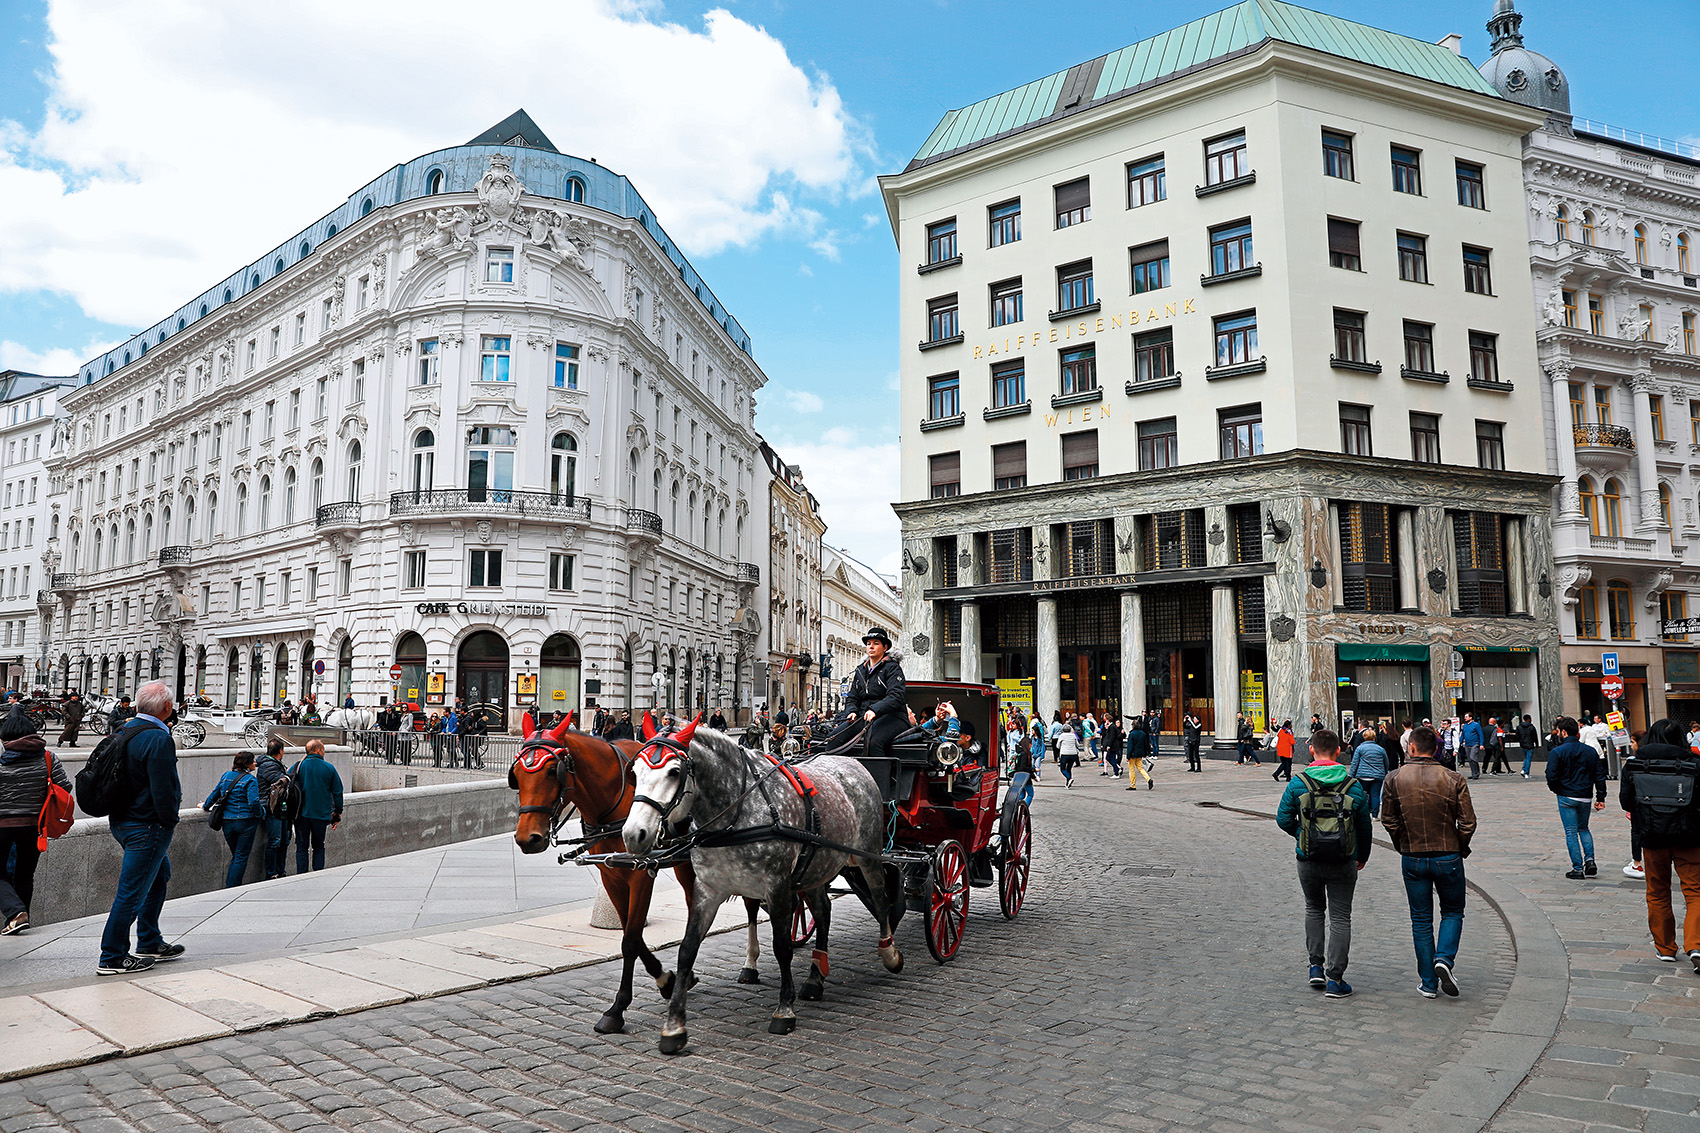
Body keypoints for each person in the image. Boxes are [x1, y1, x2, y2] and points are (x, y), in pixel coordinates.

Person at [1381, 724, 1476, 999]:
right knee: (1453, 911)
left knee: (1421, 919)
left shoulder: (1394, 778)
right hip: (1447, 854)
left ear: (1411, 747)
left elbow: (1388, 819)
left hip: (1413, 856)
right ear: (1436, 749)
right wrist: (1459, 845)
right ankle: (1444, 959)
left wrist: (1403, 843)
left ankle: (1428, 982)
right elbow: (1468, 822)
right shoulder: (1453, 778)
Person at [1276, 729, 1372, 998]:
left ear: (1312, 751)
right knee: (1341, 917)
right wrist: (1361, 857)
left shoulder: (1298, 783)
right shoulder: (1352, 786)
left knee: (1314, 908)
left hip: (1308, 858)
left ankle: (1315, 968)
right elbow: (1364, 827)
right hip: (1343, 860)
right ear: (1339, 752)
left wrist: (1303, 835)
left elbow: (1283, 819)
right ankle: (1335, 979)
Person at [99, 682, 185, 976]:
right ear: (166, 708)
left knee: (159, 876)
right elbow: (165, 788)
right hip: (147, 825)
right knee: (131, 892)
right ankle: (112, 956)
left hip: (122, 821)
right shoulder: (158, 738)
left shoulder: (124, 730)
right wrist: (169, 820)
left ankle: (149, 940)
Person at [1620, 719, 1700, 969]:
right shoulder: (1695, 764)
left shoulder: (1634, 765)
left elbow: (1626, 801)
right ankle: (1696, 944)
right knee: (1695, 891)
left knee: (1657, 891)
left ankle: (1665, 948)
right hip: (1690, 836)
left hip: (1652, 836)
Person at [0, 708, 71, 935]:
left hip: (2, 827)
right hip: (35, 827)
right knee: (24, 875)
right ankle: (20, 919)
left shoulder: (1, 760)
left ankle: (15, 913)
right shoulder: (49, 757)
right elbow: (64, 787)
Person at [1545, 716, 1607, 879]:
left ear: (1563, 732)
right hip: (1585, 795)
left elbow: (1551, 776)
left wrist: (1557, 789)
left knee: (1571, 832)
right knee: (1584, 828)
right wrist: (1601, 797)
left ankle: (1578, 868)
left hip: (1566, 795)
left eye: (1558, 731)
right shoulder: (1589, 751)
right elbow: (1599, 776)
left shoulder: (1557, 752)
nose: (1557, 734)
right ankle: (1590, 860)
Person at [842, 627, 907, 762]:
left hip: (893, 717)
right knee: (834, 739)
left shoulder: (892, 668)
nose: (871, 647)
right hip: (864, 717)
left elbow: (895, 696)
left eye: (876, 643)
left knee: (873, 742)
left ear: (885, 647)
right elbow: (853, 697)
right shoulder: (860, 670)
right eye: (868, 643)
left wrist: (874, 710)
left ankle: (880, 781)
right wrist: (852, 711)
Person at [203, 752, 261, 888]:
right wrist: (261, 813)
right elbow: (253, 803)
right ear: (246, 764)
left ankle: (230, 885)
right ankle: (232, 887)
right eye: (253, 761)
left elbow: (214, 795)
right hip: (246, 822)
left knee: (236, 855)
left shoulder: (226, 776)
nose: (255, 763)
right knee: (240, 857)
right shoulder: (250, 780)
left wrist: (205, 806)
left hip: (227, 822)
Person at [292, 739, 343, 873]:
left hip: (301, 815)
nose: (324, 753)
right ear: (319, 750)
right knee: (319, 846)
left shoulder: (298, 766)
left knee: (301, 848)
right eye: (323, 750)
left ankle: (301, 875)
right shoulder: (329, 768)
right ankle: (318, 873)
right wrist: (337, 812)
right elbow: (337, 792)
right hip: (320, 815)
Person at [255, 738, 293, 880]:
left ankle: (280, 870)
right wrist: (289, 776)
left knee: (284, 840)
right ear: (281, 751)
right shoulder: (269, 765)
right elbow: (280, 782)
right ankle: (271, 873)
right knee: (275, 841)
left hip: (280, 807)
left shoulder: (272, 763)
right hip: (272, 808)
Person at [1348, 725, 1389, 818]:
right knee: (1375, 794)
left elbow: (1355, 763)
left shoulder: (1360, 748)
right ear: (1374, 738)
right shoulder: (1380, 749)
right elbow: (1386, 762)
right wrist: (1385, 772)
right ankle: (1375, 815)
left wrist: (1351, 775)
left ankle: (1365, 813)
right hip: (1378, 775)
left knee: (1364, 794)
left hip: (1363, 775)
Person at [1620, 731, 1646, 880]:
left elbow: (1626, 790)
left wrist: (1628, 807)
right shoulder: (1659, 761)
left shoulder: (1632, 763)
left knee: (1636, 832)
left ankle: (1637, 863)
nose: (1630, 745)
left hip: (1638, 803)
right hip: (1657, 804)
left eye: (1632, 742)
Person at [1125, 715, 1151, 791]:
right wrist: (1146, 753)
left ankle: (1133, 785)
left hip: (1133, 754)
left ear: (1132, 726)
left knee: (1132, 769)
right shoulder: (1143, 733)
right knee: (1140, 768)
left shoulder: (1132, 734)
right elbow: (1146, 744)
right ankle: (1148, 779)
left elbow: (1130, 746)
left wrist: (1128, 756)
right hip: (1140, 753)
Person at [1459, 712, 1484, 780]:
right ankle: (1473, 773)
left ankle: (1476, 773)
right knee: (1470, 759)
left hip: (1475, 744)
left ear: (1471, 717)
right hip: (1467, 744)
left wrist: (1481, 744)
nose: (1465, 718)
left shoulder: (1476, 725)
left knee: (1473, 758)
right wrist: (1459, 742)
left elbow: (1480, 734)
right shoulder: (1465, 726)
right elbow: (1463, 735)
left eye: (1466, 717)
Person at [1516, 714, 1541, 779]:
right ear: (1529, 719)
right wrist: (1537, 744)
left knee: (1526, 758)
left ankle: (1523, 769)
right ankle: (1526, 772)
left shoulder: (1519, 727)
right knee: (1528, 759)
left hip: (1523, 745)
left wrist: (1521, 742)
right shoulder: (1531, 727)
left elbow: (1517, 736)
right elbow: (1535, 736)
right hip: (1530, 744)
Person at [1056, 722, 1080, 788]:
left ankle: (1069, 779)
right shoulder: (1073, 735)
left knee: (1062, 769)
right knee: (1069, 768)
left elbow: (1057, 746)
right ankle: (1068, 783)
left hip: (1065, 754)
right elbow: (1077, 745)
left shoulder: (1061, 736)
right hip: (1073, 754)